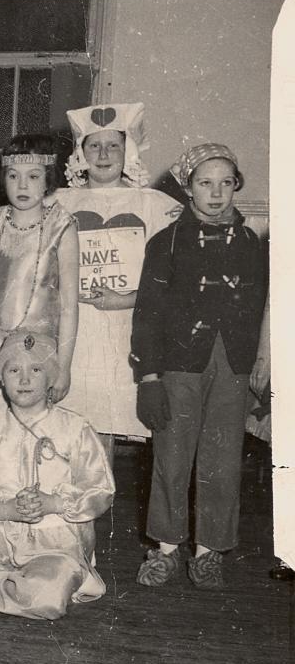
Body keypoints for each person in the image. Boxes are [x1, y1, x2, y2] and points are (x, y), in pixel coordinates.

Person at [132, 144, 267, 590]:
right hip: (179, 365)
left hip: (232, 365)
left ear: (236, 187)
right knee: (172, 457)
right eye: (205, 183)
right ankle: (166, 548)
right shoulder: (166, 241)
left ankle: (209, 552)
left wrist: (258, 363)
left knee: (223, 460)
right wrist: (150, 377)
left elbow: (262, 306)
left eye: (226, 183)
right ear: (188, 187)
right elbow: (148, 313)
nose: (216, 193)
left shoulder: (251, 242)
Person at [0, 331, 114, 620]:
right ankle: (17, 586)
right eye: (14, 370)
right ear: (1, 379)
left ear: (50, 377)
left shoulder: (75, 428)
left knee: (46, 597)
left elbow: (100, 490)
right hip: (1, 534)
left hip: (57, 543)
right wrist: (7, 509)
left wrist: (53, 503)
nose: (24, 380)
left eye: (35, 370)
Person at [55, 103, 181, 445]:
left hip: (128, 327)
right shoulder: (58, 203)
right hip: (75, 332)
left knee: (110, 428)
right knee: (73, 433)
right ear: (80, 153)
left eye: (114, 145)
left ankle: (105, 499)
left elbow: (176, 282)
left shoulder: (154, 205)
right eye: (93, 145)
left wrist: (125, 299)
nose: (103, 154)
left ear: (129, 152)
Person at [0, 134, 79, 424]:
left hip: (36, 352)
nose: (22, 186)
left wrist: (64, 365)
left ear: (48, 180)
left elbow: (69, 305)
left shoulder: (62, 226)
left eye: (33, 176)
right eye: (13, 176)